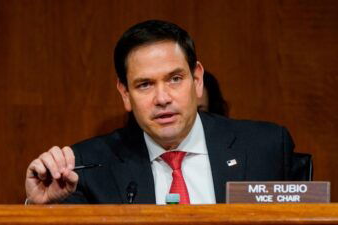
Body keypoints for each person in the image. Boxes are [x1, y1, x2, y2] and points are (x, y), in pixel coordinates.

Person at [25, 20, 295, 204]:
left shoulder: (266, 147)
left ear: (197, 79)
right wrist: (39, 209)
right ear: (125, 93)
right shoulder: (87, 166)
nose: (162, 98)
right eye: (144, 85)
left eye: (175, 79)